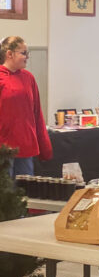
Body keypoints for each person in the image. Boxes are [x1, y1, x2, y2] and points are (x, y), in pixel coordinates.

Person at [0, 36, 52, 177]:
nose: (27, 57)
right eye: (23, 53)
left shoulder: (29, 78)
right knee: (6, 194)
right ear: (9, 54)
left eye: (28, 53)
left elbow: (37, 113)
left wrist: (44, 144)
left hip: (25, 144)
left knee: (25, 192)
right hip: (3, 148)